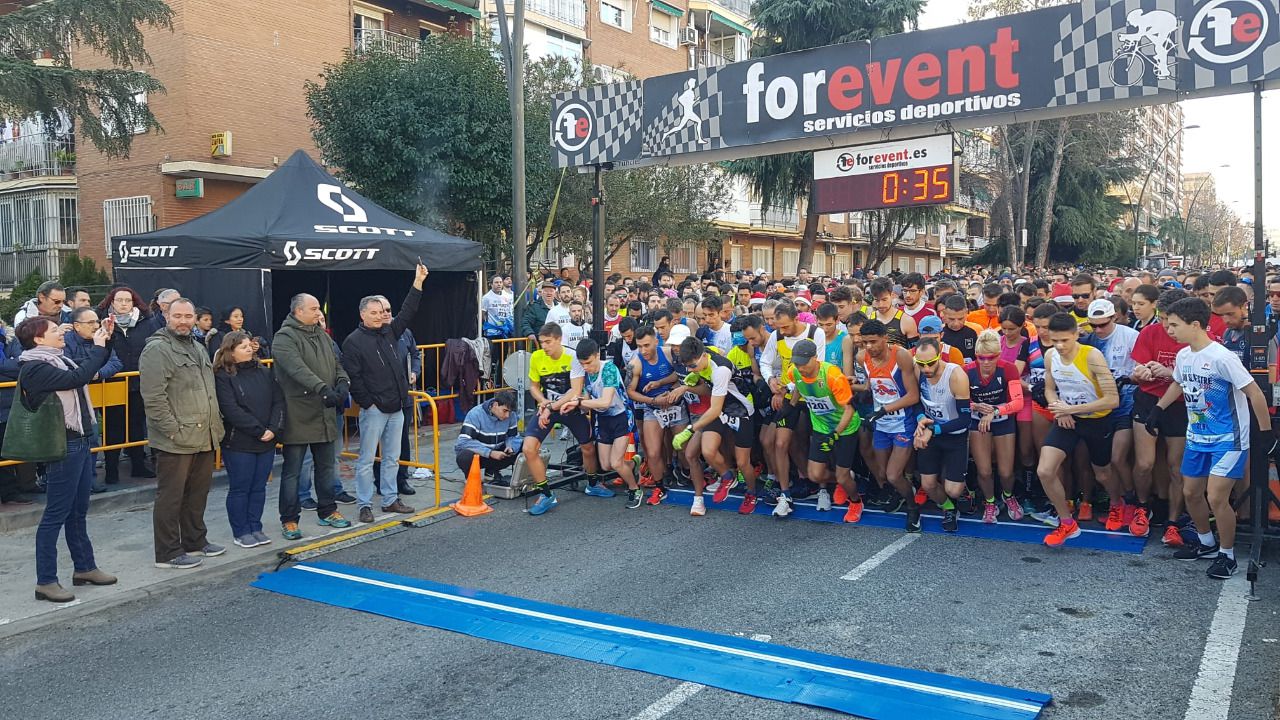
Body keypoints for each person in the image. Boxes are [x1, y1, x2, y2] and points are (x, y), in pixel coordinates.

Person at [1149, 298, 1274, 579]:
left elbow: (1254, 393)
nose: (1169, 330)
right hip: (1197, 436)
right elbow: (1179, 384)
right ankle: (1206, 542)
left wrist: (1265, 434)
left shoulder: (1222, 357)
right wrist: (1158, 409)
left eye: (1174, 325)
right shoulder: (1184, 355)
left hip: (1228, 438)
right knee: (1190, 493)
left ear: (1195, 325)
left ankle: (1227, 555)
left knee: (1216, 496)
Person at [18, 316, 117, 602]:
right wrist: (98, 349)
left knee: (78, 511)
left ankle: (85, 568)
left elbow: (87, 367)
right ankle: (46, 581)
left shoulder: (60, 359)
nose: (60, 332)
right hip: (63, 444)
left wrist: (104, 339)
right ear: (38, 339)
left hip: (81, 440)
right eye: (52, 330)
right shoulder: (35, 367)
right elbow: (77, 378)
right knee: (55, 515)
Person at [139, 298, 227, 569]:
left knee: (197, 493)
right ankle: (167, 553)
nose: (183, 321)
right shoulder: (157, 350)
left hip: (203, 434)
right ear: (166, 316)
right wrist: (172, 431)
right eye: (178, 316)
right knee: (171, 496)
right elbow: (154, 398)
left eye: (188, 316)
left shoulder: (198, 347)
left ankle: (195, 541)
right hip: (176, 439)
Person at [342, 262, 428, 523]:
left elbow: (408, 310)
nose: (381, 316)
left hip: (398, 405)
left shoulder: (391, 331)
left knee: (392, 457)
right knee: (367, 460)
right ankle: (364, 503)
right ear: (363, 314)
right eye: (375, 312)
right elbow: (354, 379)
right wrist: (369, 404)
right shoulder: (353, 342)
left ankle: (390, 499)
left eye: (382, 312)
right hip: (375, 410)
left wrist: (418, 282)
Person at [1036, 312, 1120, 548]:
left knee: (1102, 473)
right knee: (1045, 470)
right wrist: (1058, 409)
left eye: (1065, 340)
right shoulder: (1051, 356)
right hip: (1067, 419)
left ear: (1076, 335)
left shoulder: (1092, 356)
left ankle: (1117, 504)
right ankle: (1066, 522)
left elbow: (1112, 400)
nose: (1060, 346)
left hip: (1096, 419)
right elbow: (1050, 389)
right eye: (1055, 341)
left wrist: (1072, 410)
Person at [273, 293, 351, 540]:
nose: (319, 312)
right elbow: (297, 369)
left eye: (319, 308)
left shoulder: (321, 335)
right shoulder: (284, 337)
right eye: (314, 308)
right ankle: (289, 519)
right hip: (298, 413)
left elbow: (337, 363)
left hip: (324, 412)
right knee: (293, 470)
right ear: (298, 311)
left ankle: (328, 510)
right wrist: (323, 389)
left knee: (326, 467)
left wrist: (343, 383)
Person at [521, 322, 609, 514]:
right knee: (528, 448)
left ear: (559, 339)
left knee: (587, 447)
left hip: (571, 407)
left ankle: (592, 483)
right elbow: (534, 386)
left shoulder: (572, 357)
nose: (544, 346)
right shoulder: (536, 357)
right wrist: (543, 402)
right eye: (542, 342)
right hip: (548, 408)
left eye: (548, 342)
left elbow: (575, 390)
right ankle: (546, 494)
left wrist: (550, 406)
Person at [213, 331, 289, 549]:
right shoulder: (223, 376)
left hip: (266, 440)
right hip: (239, 442)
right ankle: (241, 531)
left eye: (249, 344)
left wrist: (273, 429)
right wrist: (258, 430)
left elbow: (278, 401)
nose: (249, 348)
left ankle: (255, 526)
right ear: (231, 351)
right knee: (240, 487)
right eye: (242, 346)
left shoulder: (264, 372)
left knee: (259, 487)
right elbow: (230, 409)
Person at [673, 337, 757, 517]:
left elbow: (714, 408)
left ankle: (751, 493)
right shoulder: (704, 355)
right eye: (687, 367)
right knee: (708, 450)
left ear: (703, 356)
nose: (690, 370)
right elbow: (709, 392)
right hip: (719, 406)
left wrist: (690, 429)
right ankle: (727, 477)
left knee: (743, 462)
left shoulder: (721, 370)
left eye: (693, 366)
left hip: (740, 410)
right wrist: (688, 386)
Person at [782, 339, 863, 523]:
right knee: (815, 474)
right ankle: (843, 480)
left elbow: (849, 410)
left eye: (803, 363)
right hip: (820, 426)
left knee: (842, 474)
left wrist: (835, 434)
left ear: (815, 358)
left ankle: (856, 501)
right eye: (797, 363)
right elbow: (799, 388)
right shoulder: (793, 372)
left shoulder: (832, 375)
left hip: (845, 428)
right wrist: (791, 406)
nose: (800, 367)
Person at [858, 319, 922, 531]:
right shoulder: (862, 358)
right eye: (865, 342)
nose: (869, 347)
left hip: (903, 422)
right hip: (881, 424)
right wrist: (855, 388)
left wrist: (883, 410)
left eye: (873, 342)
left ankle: (913, 508)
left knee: (894, 474)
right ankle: (904, 491)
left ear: (885, 338)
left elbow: (913, 396)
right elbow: (872, 384)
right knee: (884, 475)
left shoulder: (901, 355)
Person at [98, 286, 160, 482]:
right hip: (112, 383)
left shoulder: (148, 321)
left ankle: (138, 465)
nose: (124, 304)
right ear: (111, 302)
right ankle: (111, 470)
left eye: (128, 300)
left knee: (136, 425)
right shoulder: (101, 321)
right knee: (112, 428)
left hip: (139, 382)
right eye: (119, 300)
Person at [914, 338, 972, 532]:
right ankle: (948, 507)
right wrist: (921, 418)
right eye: (921, 364)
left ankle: (964, 490)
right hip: (931, 432)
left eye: (930, 363)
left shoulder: (956, 375)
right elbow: (916, 402)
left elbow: (965, 420)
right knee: (928, 485)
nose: (926, 368)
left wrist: (934, 430)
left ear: (939, 355)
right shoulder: (918, 371)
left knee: (953, 489)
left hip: (954, 434)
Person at [63, 307, 123, 493]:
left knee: (92, 438)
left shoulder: (102, 339)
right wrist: (91, 365)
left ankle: (90, 480)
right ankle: (73, 482)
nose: (96, 326)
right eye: (90, 323)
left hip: (97, 398)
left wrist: (97, 373)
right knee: (74, 444)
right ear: (76, 326)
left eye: (97, 321)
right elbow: (70, 365)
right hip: (72, 400)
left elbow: (115, 363)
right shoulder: (65, 341)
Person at [968, 329, 1025, 523]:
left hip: (1001, 419)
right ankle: (989, 501)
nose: (985, 362)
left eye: (990, 358)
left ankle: (1008, 496)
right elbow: (957, 402)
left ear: (998, 356)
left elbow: (1018, 403)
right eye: (981, 358)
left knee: (1006, 471)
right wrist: (974, 406)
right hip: (978, 421)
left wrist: (994, 411)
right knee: (984, 470)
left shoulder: (1008, 368)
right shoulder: (966, 371)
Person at [576, 337, 642, 502]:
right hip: (603, 420)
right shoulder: (585, 374)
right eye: (582, 364)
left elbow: (605, 402)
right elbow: (586, 402)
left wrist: (580, 402)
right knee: (605, 465)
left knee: (616, 462)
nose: (586, 367)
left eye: (589, 363)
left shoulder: (609, 369)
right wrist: (572, 403)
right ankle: (634, 462)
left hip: (621, 417)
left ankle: (635, 489)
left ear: (597, 355)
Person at [455, 390, 521, 482]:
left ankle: (491, 470)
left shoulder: (511, 416)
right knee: (465, 456)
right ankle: (471, 477)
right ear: (495, 405)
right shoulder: (475, 414)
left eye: (509, 412)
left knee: (524, 446)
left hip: (498, 454)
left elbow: (513, 436)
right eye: (505, 411)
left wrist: (511, 447)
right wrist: (490, 453)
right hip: (480, 455)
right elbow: (463, 442)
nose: (507, 415)